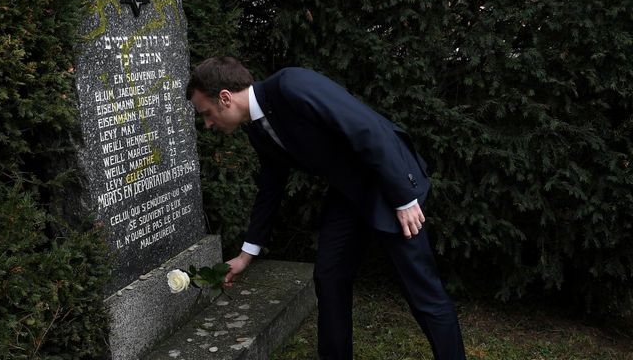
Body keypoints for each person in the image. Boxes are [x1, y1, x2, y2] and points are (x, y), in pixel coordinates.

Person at [186, 56, 466, 360]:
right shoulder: (256, 128)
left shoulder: (292, 84)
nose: (209, 123)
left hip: (387, 183)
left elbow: (366, 128)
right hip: (347, 194)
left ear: (225, 98)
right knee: (329, 276)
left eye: (207, 113)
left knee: (422, 290)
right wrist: (245, 255)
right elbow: (270, 186)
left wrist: (403, 198)